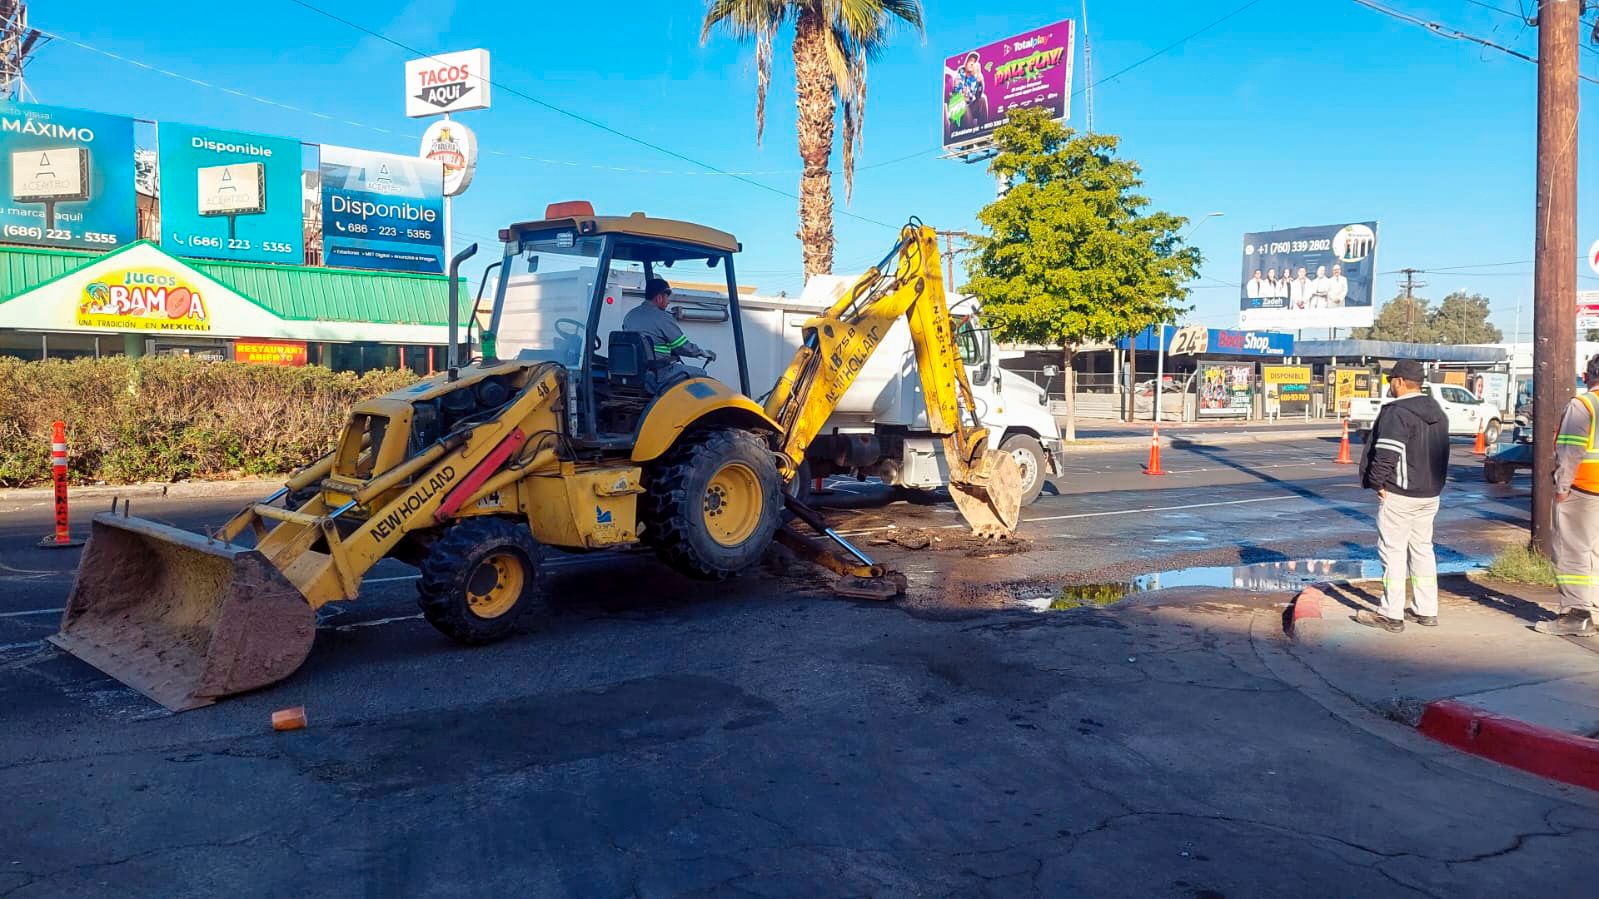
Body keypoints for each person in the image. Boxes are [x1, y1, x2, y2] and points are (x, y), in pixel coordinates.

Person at [1357, 359, 1450, 632]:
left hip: (1400, 494)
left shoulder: (1397, 413)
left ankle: (1391, 613)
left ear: (1398, 381)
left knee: (1393, 552)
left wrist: (1377, 483)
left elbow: (1386, 454)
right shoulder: (1438, 411)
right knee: (1422, 550)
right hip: (1430, 494)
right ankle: (1426, 610)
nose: (1389, 386)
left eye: (1390, 381)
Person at [1539, 354, 1599, 637]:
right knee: (1596, 554)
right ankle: (1595, 610)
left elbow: (1570, 450)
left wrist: (1562, 487)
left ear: (1588, 376)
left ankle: (1576, 614)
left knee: (1572, 552)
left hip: (1583, 488)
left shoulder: (1584, 404)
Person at [622, 277, 716, 384]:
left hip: (632, 371)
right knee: (700, 374)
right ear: (659, 298)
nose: (669, 301)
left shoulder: (630, 315)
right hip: (659, 373)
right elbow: (682, 346)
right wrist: (702, 352)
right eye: (667, 297)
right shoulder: (662, 317)